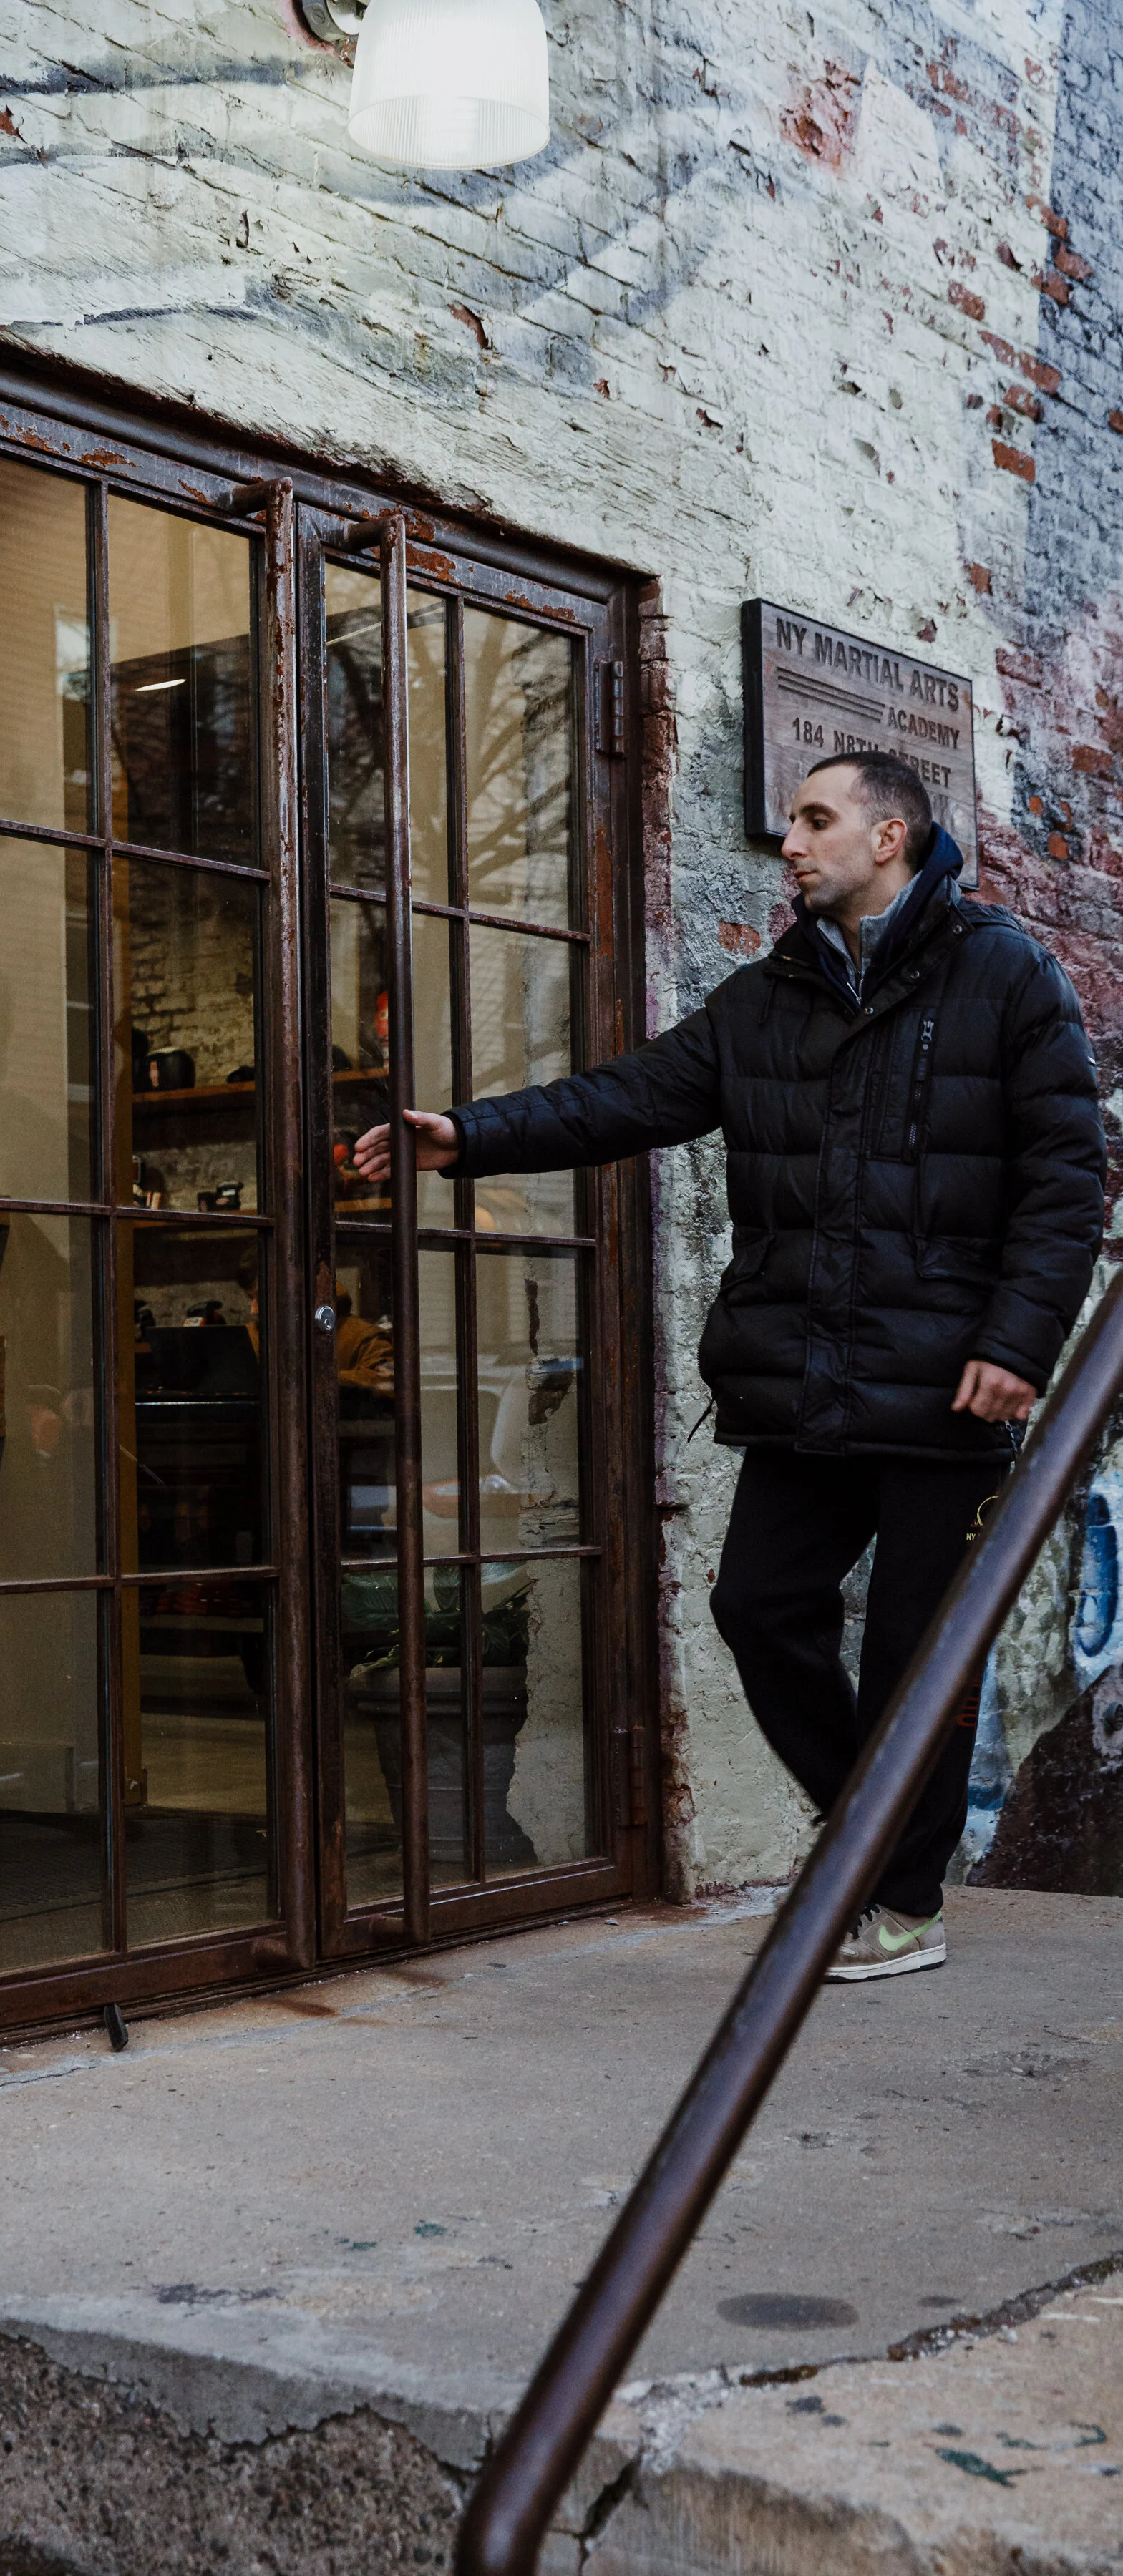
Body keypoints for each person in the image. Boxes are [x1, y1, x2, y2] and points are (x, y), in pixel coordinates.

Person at [354, 751, 1105, 1980]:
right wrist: (469, 1137)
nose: (791, 843)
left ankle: (903, 1900)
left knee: (917, 1657)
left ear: (891, 836)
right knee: (758, 1608)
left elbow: (1067, 1181)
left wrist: (1016, 1345)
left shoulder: (1004, 973)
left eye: (816, 820)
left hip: (949, 1390)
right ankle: (871, 1840)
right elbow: (629, 1097)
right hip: (803, 1383)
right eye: (791, 820)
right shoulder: (768, 998)